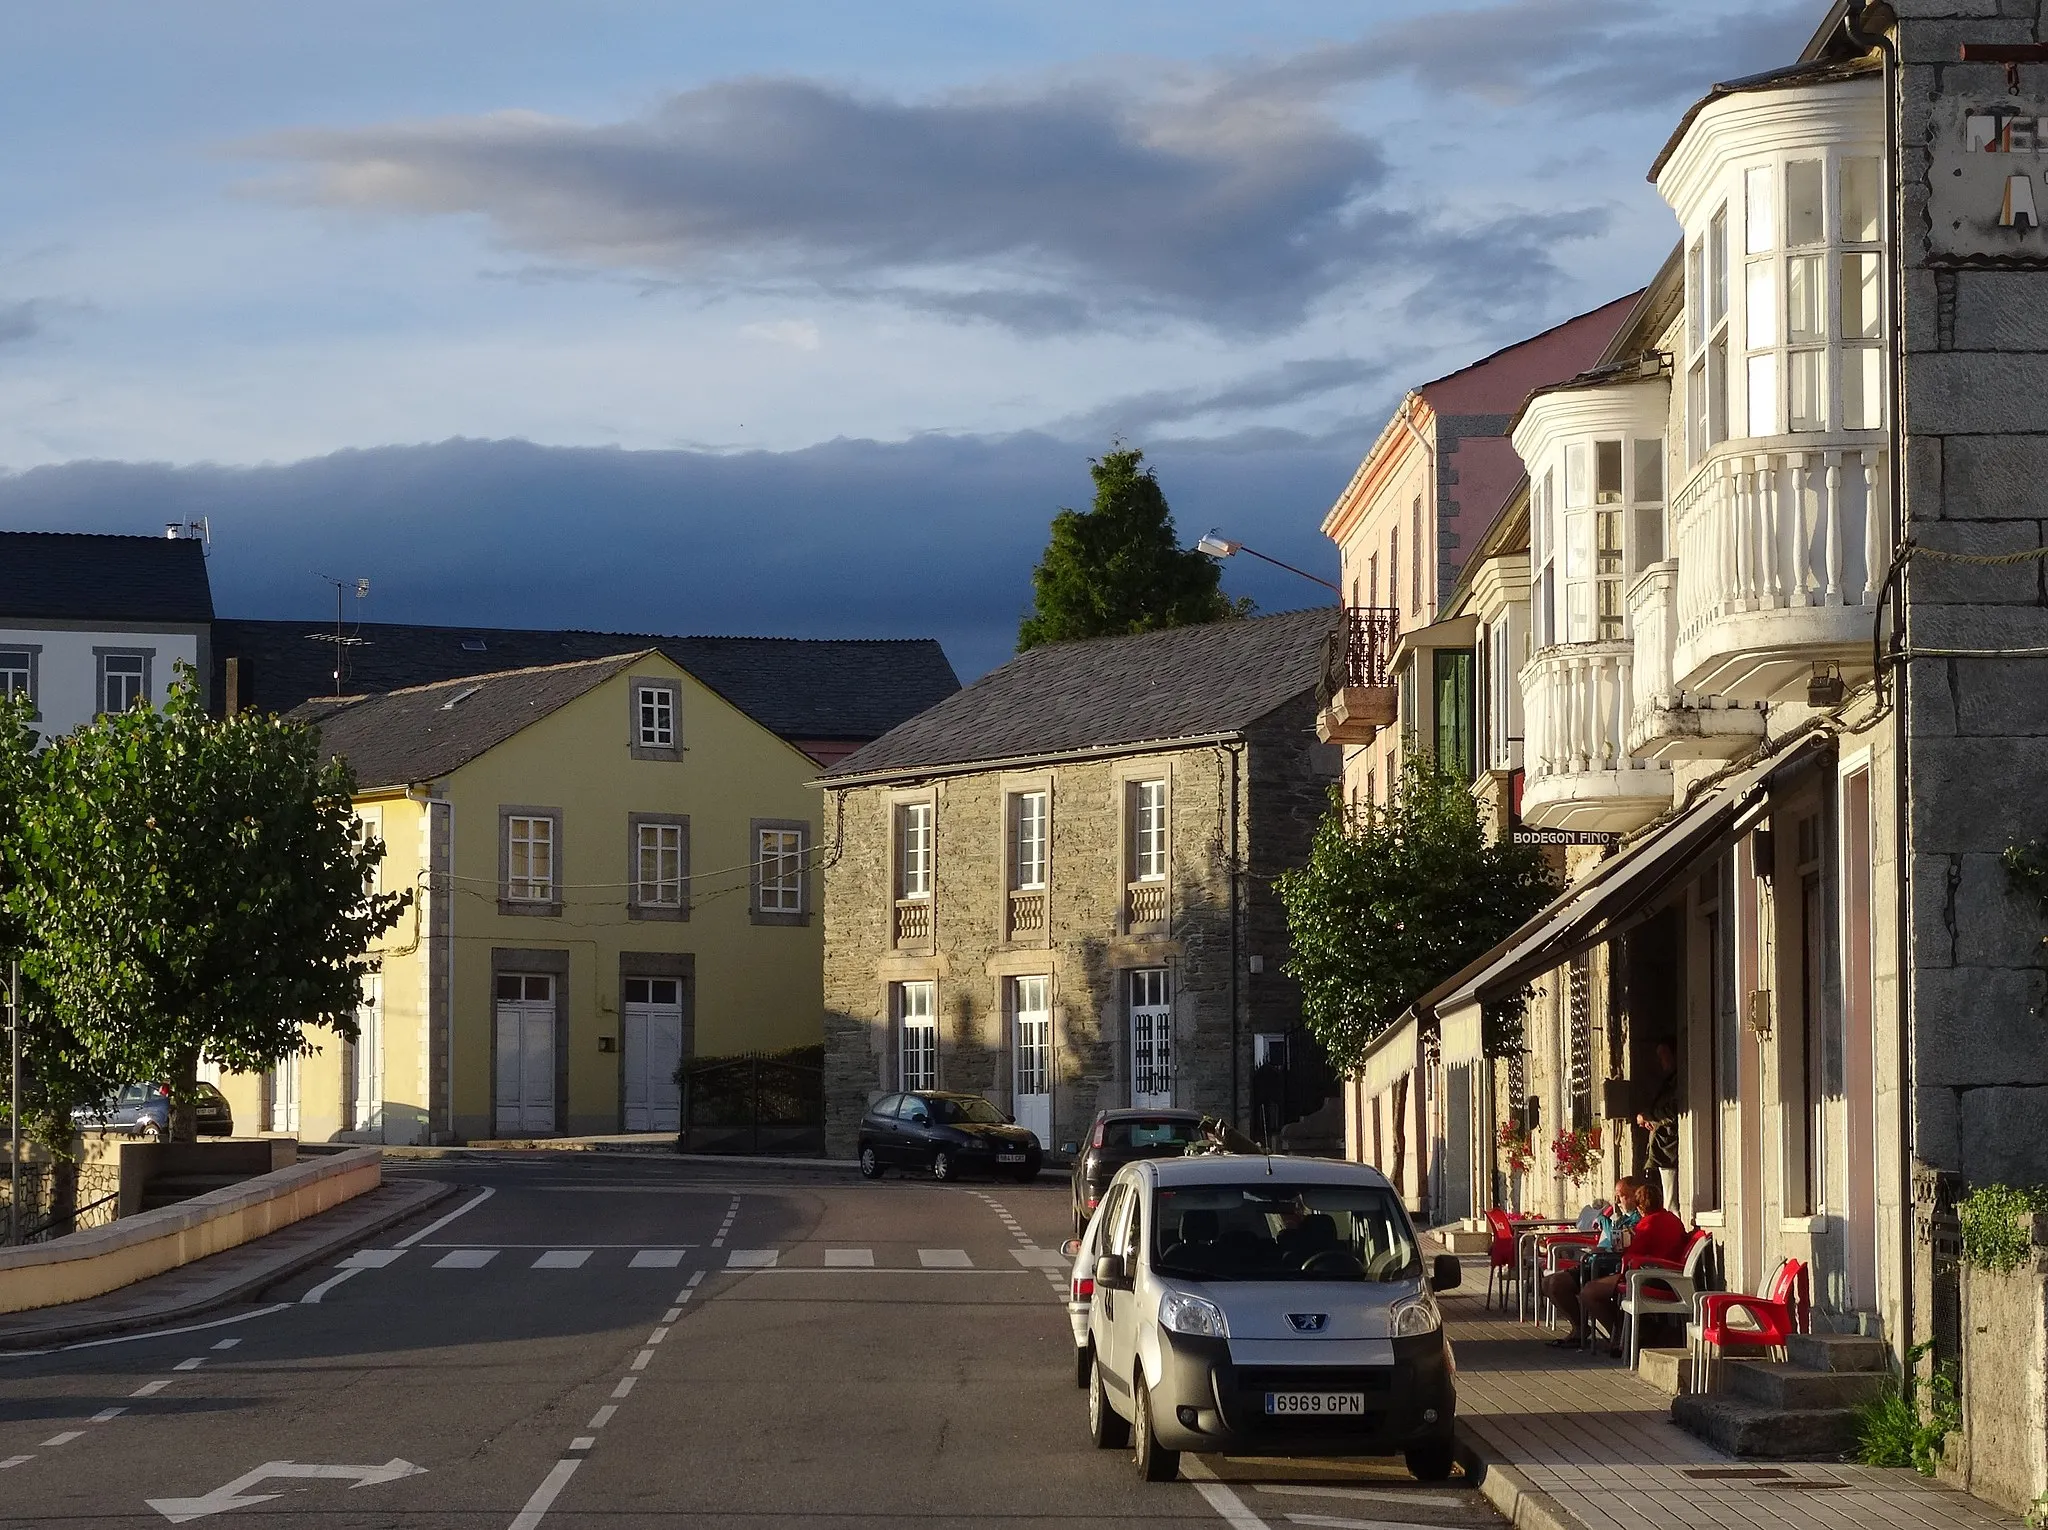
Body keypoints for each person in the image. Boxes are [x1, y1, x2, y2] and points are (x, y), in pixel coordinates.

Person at [1577, 1173, 1687, 1358]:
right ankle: (1626, 1334)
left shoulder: (1648, 1223)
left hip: (1651, 1278)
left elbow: (1631, 1256)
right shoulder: (1671, 1219)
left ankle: (1622, 1334)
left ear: (1641, 1206)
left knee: (1590, 1291)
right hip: (1669, 1275)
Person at [1541, 1177, 1639, 1348]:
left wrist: (1603, 1221)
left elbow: (1618, 1240)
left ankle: (1614, 1333)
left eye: (1621, 1195)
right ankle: (1579, 1326)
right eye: (1616, 1195)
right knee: (1547, 1283)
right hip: (1596, 1261)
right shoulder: (1623, 1217)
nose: (1617, 1201)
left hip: (1606, 1265)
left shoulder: (1636, 1218)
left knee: (1557, 1284)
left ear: (1634, 1195)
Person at [1636, 1040, 1681, 1213]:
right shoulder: (1668, 1082)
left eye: (1665, 1056)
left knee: (1670, 1204)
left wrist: (1649, 1116)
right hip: (1661, 1153)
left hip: (1668, 1151)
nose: (1662, 1062)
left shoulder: (1678, 1082)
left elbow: (1673, 1111)